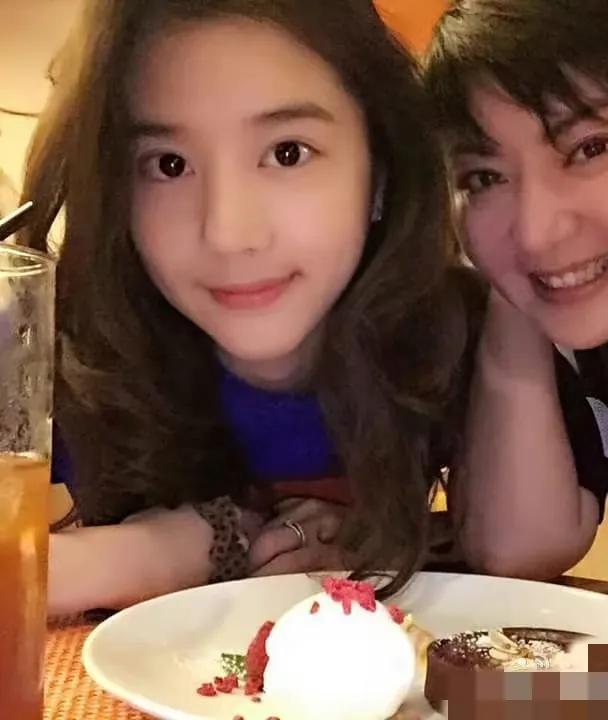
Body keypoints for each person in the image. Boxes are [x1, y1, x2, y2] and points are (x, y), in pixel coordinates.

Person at [21, 0, 484, 614]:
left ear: (381, 172)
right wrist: (174, 548)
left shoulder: (454, 337)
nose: (227, 233)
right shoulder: (55, 352)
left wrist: (383, 544)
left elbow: (536, 573)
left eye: (288, 152)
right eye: (169, 165)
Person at [425, 0, 608, 599]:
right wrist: (518, 289)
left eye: (591, 148)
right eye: (484, 178)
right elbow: (518, 549)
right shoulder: (591, 331)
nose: (536, 232)